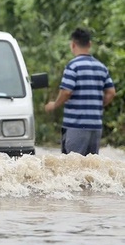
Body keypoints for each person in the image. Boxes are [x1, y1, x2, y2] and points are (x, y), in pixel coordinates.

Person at [45, 27, 116, 155]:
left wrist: (54, 105)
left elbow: (66, 92)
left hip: (76, 126)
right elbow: (111, 92)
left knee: (72, 168)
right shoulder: (101, 67)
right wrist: (97, 106)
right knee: (91, 167)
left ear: (72, 45)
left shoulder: (73, 66)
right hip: (95, 126)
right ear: (89, 44)